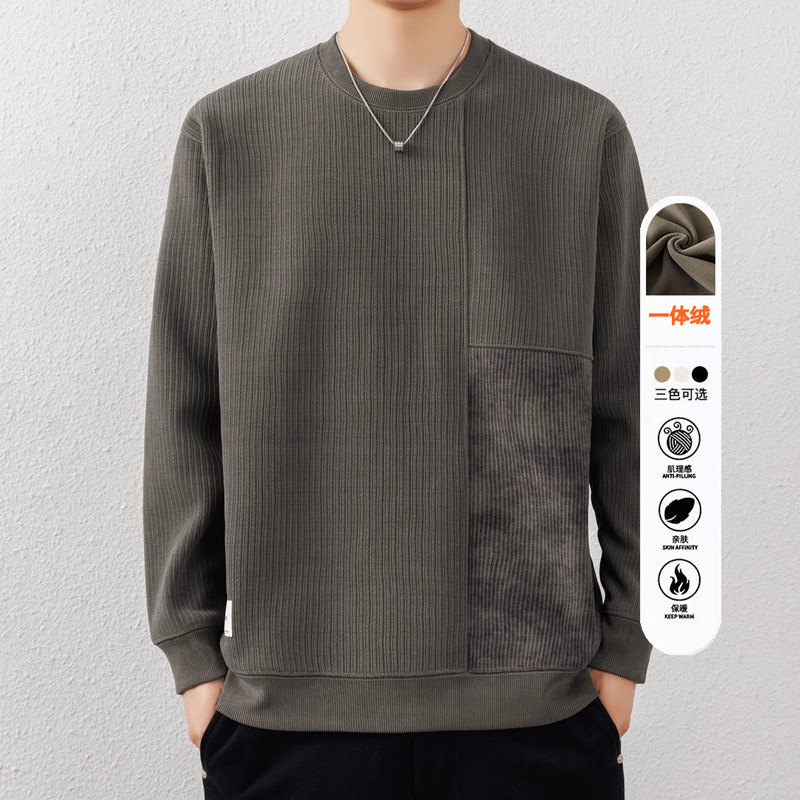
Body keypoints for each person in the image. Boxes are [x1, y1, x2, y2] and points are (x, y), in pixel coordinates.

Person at [142, 1, 652, 797]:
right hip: (283, 723)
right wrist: (193, 654)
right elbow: (184, 404)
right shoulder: (229, 133)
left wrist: (626, 641)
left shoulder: (582, 133)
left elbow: (636, 407)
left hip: (535, 722)